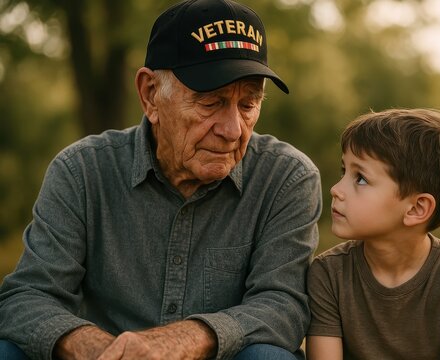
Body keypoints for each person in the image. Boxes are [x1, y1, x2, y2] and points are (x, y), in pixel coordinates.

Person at [0, 0, 322, 359]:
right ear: (150, 94)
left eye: (248, 104)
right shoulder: (82, 171)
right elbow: (27, 297)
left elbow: (283, 306)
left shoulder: (287, 178)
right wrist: (104, 351)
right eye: (210, 102)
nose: (233, 130)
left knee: (269, 356)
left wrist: (183, 340)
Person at [306, 108, 440, 360]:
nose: (335, 189)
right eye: (344, 171)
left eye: (360, 178)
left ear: (417, 209)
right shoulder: (328, 274)